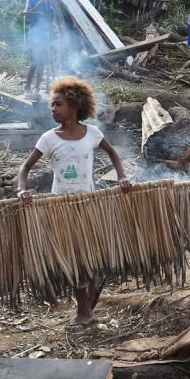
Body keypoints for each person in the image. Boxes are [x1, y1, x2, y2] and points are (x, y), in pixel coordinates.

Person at [16, 76, 132, 328]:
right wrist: (21, 189)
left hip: (88, 204)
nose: (53, 109)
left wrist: (122, 176)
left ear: (75, 106)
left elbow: (113, 153)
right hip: (62, 206)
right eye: (52, 105)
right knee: (73, 257)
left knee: (87, 254)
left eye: (58, 104)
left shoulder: (92, 134)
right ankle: (84, 311)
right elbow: (25, 168)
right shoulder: (49, 138)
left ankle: (86, 306)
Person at [23, 0, 55, 99]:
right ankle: (27, 87)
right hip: (36, 36)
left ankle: (37, 88)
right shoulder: (31, 0)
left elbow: (50, 20)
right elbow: (28, 15)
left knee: (42, 63)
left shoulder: (50, 3)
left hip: (46, 36)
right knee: (35, 62)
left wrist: (55, 27)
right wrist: (40, 2)